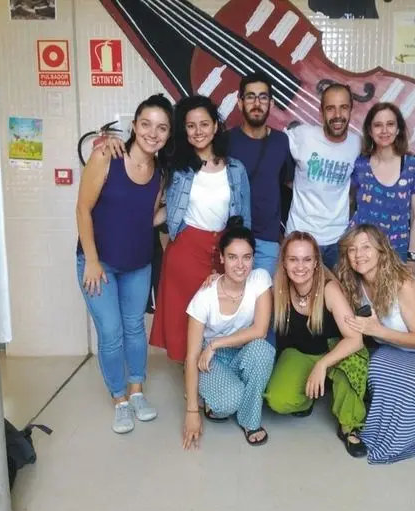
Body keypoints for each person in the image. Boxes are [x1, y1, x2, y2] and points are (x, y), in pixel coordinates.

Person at [75, 94, 172, 434]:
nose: (152, 133)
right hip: (98, 264)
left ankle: (137, 392)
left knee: (134, 328)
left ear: (168, 134)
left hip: (137, 263)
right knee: (111, 332)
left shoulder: (161, 173)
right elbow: (83, 209)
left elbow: (147, 217)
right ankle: (119, 399)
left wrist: (181, 209)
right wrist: (91, 260)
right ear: (134, 125)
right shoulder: (106, 156)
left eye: (161, 128)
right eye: (146, 124)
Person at [337, 224, 415, 464]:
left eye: (366, 247)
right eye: (352, 249)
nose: (359, 254)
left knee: (413, 382)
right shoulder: (355, 283)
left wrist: (376, 330)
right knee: (377, 371)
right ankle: (411, 411)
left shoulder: (403, 284)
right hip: (396, 348)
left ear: (381, 251)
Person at [150, 95, 251, 363]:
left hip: (223, 251)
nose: (198, 131)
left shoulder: (236, 169)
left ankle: (211, 371)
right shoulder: (177, 168)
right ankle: (190, 374)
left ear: (215, 126)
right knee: (185, 316)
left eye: (204, 124)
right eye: (191, 125)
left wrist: (241, 255)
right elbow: (164, 206)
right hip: (186, 250)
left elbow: (245, 219)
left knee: (217, 315)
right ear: (184, 130)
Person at [263, 232, 369, 458]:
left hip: (335, 351)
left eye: (307, 259)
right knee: (277, 400)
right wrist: (217, 281)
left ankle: (349, 426)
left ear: (316, 263)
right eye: (293, 259)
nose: (300, 266)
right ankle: (310, 397)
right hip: (301, 353)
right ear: (284, 262)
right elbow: (245, 297)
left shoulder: (329, 289)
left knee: (353, 361)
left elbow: (355, 339)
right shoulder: (279, 287)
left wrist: (322, 365)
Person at [182, 217, 275, 450]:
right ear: (222, 258)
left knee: (263, 351)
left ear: (253, 258)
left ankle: (250, 421)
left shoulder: (260, 279)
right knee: (227, 403)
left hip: (240, 350)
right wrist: (192, 411)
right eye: (232, 257)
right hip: (209, 359)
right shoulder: (204, 297)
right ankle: (211, 396)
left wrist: (216, 343)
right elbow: (192, 356)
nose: (240, 265)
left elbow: (260, 330)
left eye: (247, 257)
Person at [284, 83, 361, 271]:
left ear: (351, 110)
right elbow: (269, 143)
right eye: (330, 108)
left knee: (337, 290)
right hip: (300, 237)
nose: (337, 115)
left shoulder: (357, 144)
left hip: (338, 240)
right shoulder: (303, 135)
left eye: (343, 107)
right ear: (321, 112)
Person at [227, 71, 294, 276]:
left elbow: (288, 184)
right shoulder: (226, 141)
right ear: (240, 103)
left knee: (264, 295)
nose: (257, 103)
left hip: (267, 242)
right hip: (232, 238)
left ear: (271, 104)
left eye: (263, 97)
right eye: (250, 97)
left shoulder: (281, 141)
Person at [349, 102, 415, 272]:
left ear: (398, 129)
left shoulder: (413, 165)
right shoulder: (360, 165)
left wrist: (412, 256)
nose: (384, 130)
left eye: (390, 124)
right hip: (362, 255)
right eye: (378, 125)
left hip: (397, 253)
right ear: (370, 131)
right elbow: (350, 204)